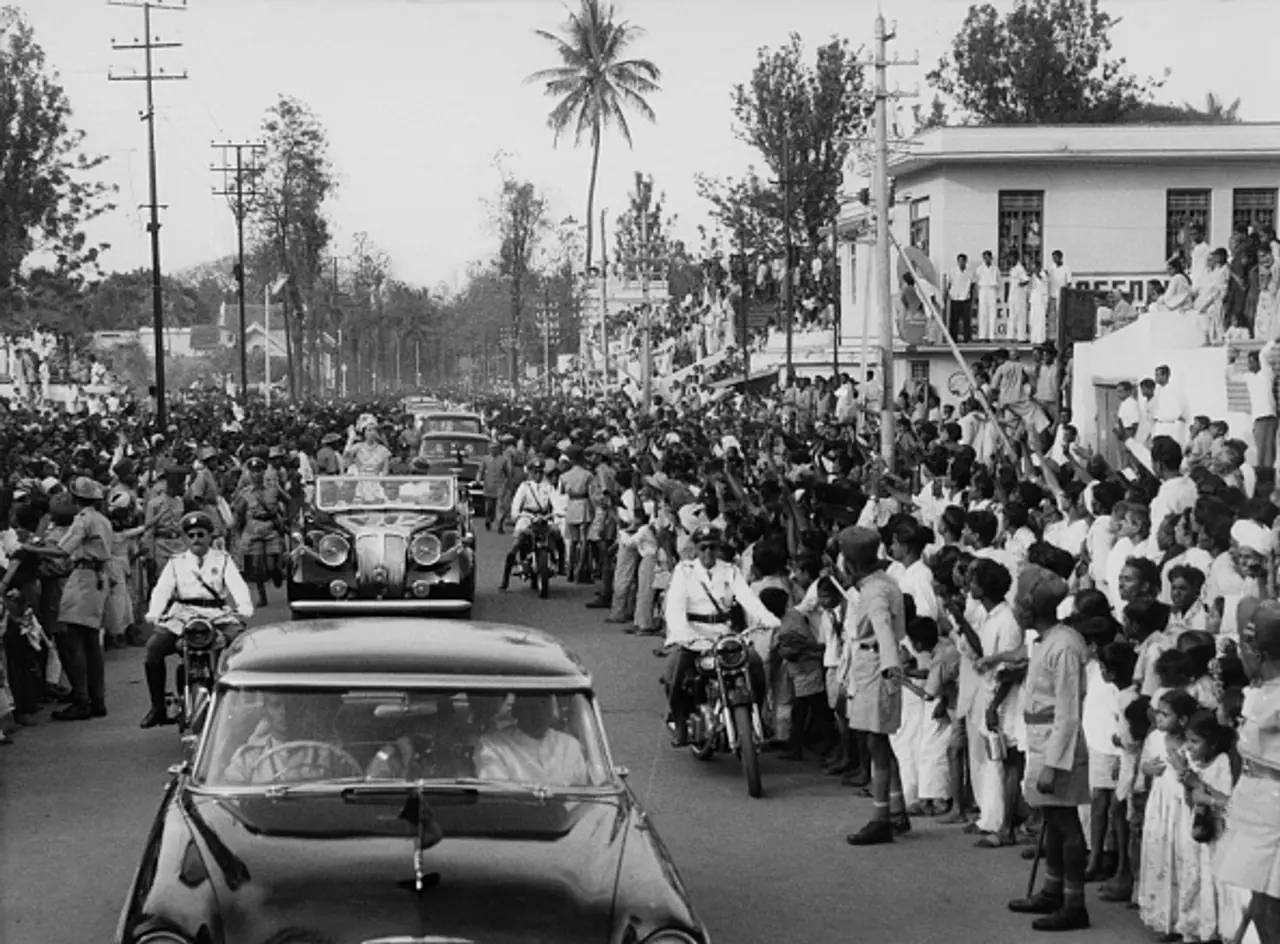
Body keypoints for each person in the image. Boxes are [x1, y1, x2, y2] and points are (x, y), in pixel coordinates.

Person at [1007, 566, 1091, 932]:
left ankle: (1075, 903)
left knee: (1067, 825)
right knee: (1053, 824)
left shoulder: (1065, 645)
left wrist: (1054, 764)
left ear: (1028, 610)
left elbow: (1069, 713)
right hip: (1040, 740)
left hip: (1059, 746)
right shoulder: (1044, 641)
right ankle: (1052, 889)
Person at [662, 525, 780, 747]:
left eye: (713, 548)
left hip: (723, 636)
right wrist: (683, 633)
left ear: (718, 549)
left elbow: (747, 597)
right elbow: (675, 607)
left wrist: (768, 618)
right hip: (693, 636)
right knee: (672, 675)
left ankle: (759, 719)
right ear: (696, 548)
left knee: (755, 667)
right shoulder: (684, 571)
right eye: (703, 547)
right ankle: (680, 724)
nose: (708, 553)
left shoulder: (730, 571)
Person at [141, 511, 254, 729]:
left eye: (201, 534)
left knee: (241, 645)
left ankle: (240, 704)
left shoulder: (223, 560)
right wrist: (154, 612)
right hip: (182, 614)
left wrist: (244, 607)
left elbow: (237, 585)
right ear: (184, 538)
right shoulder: (176, 563)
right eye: (191, 535)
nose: (196, 540)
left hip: (217, 614)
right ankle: (157, 708)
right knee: (153, 649)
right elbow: (162, 589)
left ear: (210, 536)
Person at [840, 526, 911, 846]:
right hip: (874, 664)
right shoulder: (884, 583)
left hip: (877, 667)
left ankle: (881, 817)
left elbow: (882, 628)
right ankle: (897, 809)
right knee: (881, 741)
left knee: (876, 744)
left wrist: (890, 667)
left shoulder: (874, 593)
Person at [1215, 600, 1280, 944]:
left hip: (1274, 811)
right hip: (1253, 804)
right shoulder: (1257, 690)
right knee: (1258, 900)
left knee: (1271, 908)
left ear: (1257, 651)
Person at [50, 477, 114, 722]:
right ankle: (96, 699)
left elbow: (62, 550)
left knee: (73, 640)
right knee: (91, 642)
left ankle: (81, 700)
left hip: (84, 577)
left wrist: (31, 550)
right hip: (97, 577)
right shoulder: (102, 520)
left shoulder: (83, 519)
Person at [474, 694, 589, 785]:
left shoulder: (569, 745)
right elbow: (497, 795)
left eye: (544, 704)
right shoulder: (494, 745)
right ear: (516, 711)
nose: (540, 713)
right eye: (532, 707)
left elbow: (585, 797)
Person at [501, 459, 562, 590]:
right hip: (527, 517)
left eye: (540, 472)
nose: (538, 475)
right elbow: (516, 503)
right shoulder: (525, 486)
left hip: (544, 517)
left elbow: (556, 503)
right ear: (531, 473)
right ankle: (505, 578)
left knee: (557, 535)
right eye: (535, 472)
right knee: (516, 543)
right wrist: (515, 515)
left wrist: (557, 514)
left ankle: (560, 564)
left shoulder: (549, 487)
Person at [233, 456, 285, 608]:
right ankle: (262, 597)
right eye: (253, 472)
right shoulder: (245, 493)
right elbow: (239, 513)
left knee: (271, 566)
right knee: (257, 568)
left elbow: (287, 500)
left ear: (264, 472)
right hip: (253, 532)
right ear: (249, 474)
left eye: (259, 471)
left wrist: (283, 517)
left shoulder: (273, 488)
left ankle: (277, 574)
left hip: (270, 530)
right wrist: (240, 532)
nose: (256, 474)